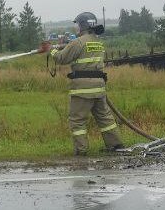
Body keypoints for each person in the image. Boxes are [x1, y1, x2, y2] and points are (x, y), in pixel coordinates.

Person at [50, 12, 125, 155]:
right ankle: (116, 145)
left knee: (77, 120)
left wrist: (51, 50)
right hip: (99, 87)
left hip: (82, 89)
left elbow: (61, 58)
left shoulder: (78, 42)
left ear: (83, 25)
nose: (76, 28)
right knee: (105, 118)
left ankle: (81, 150)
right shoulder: (97, 42)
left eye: (77, 25)